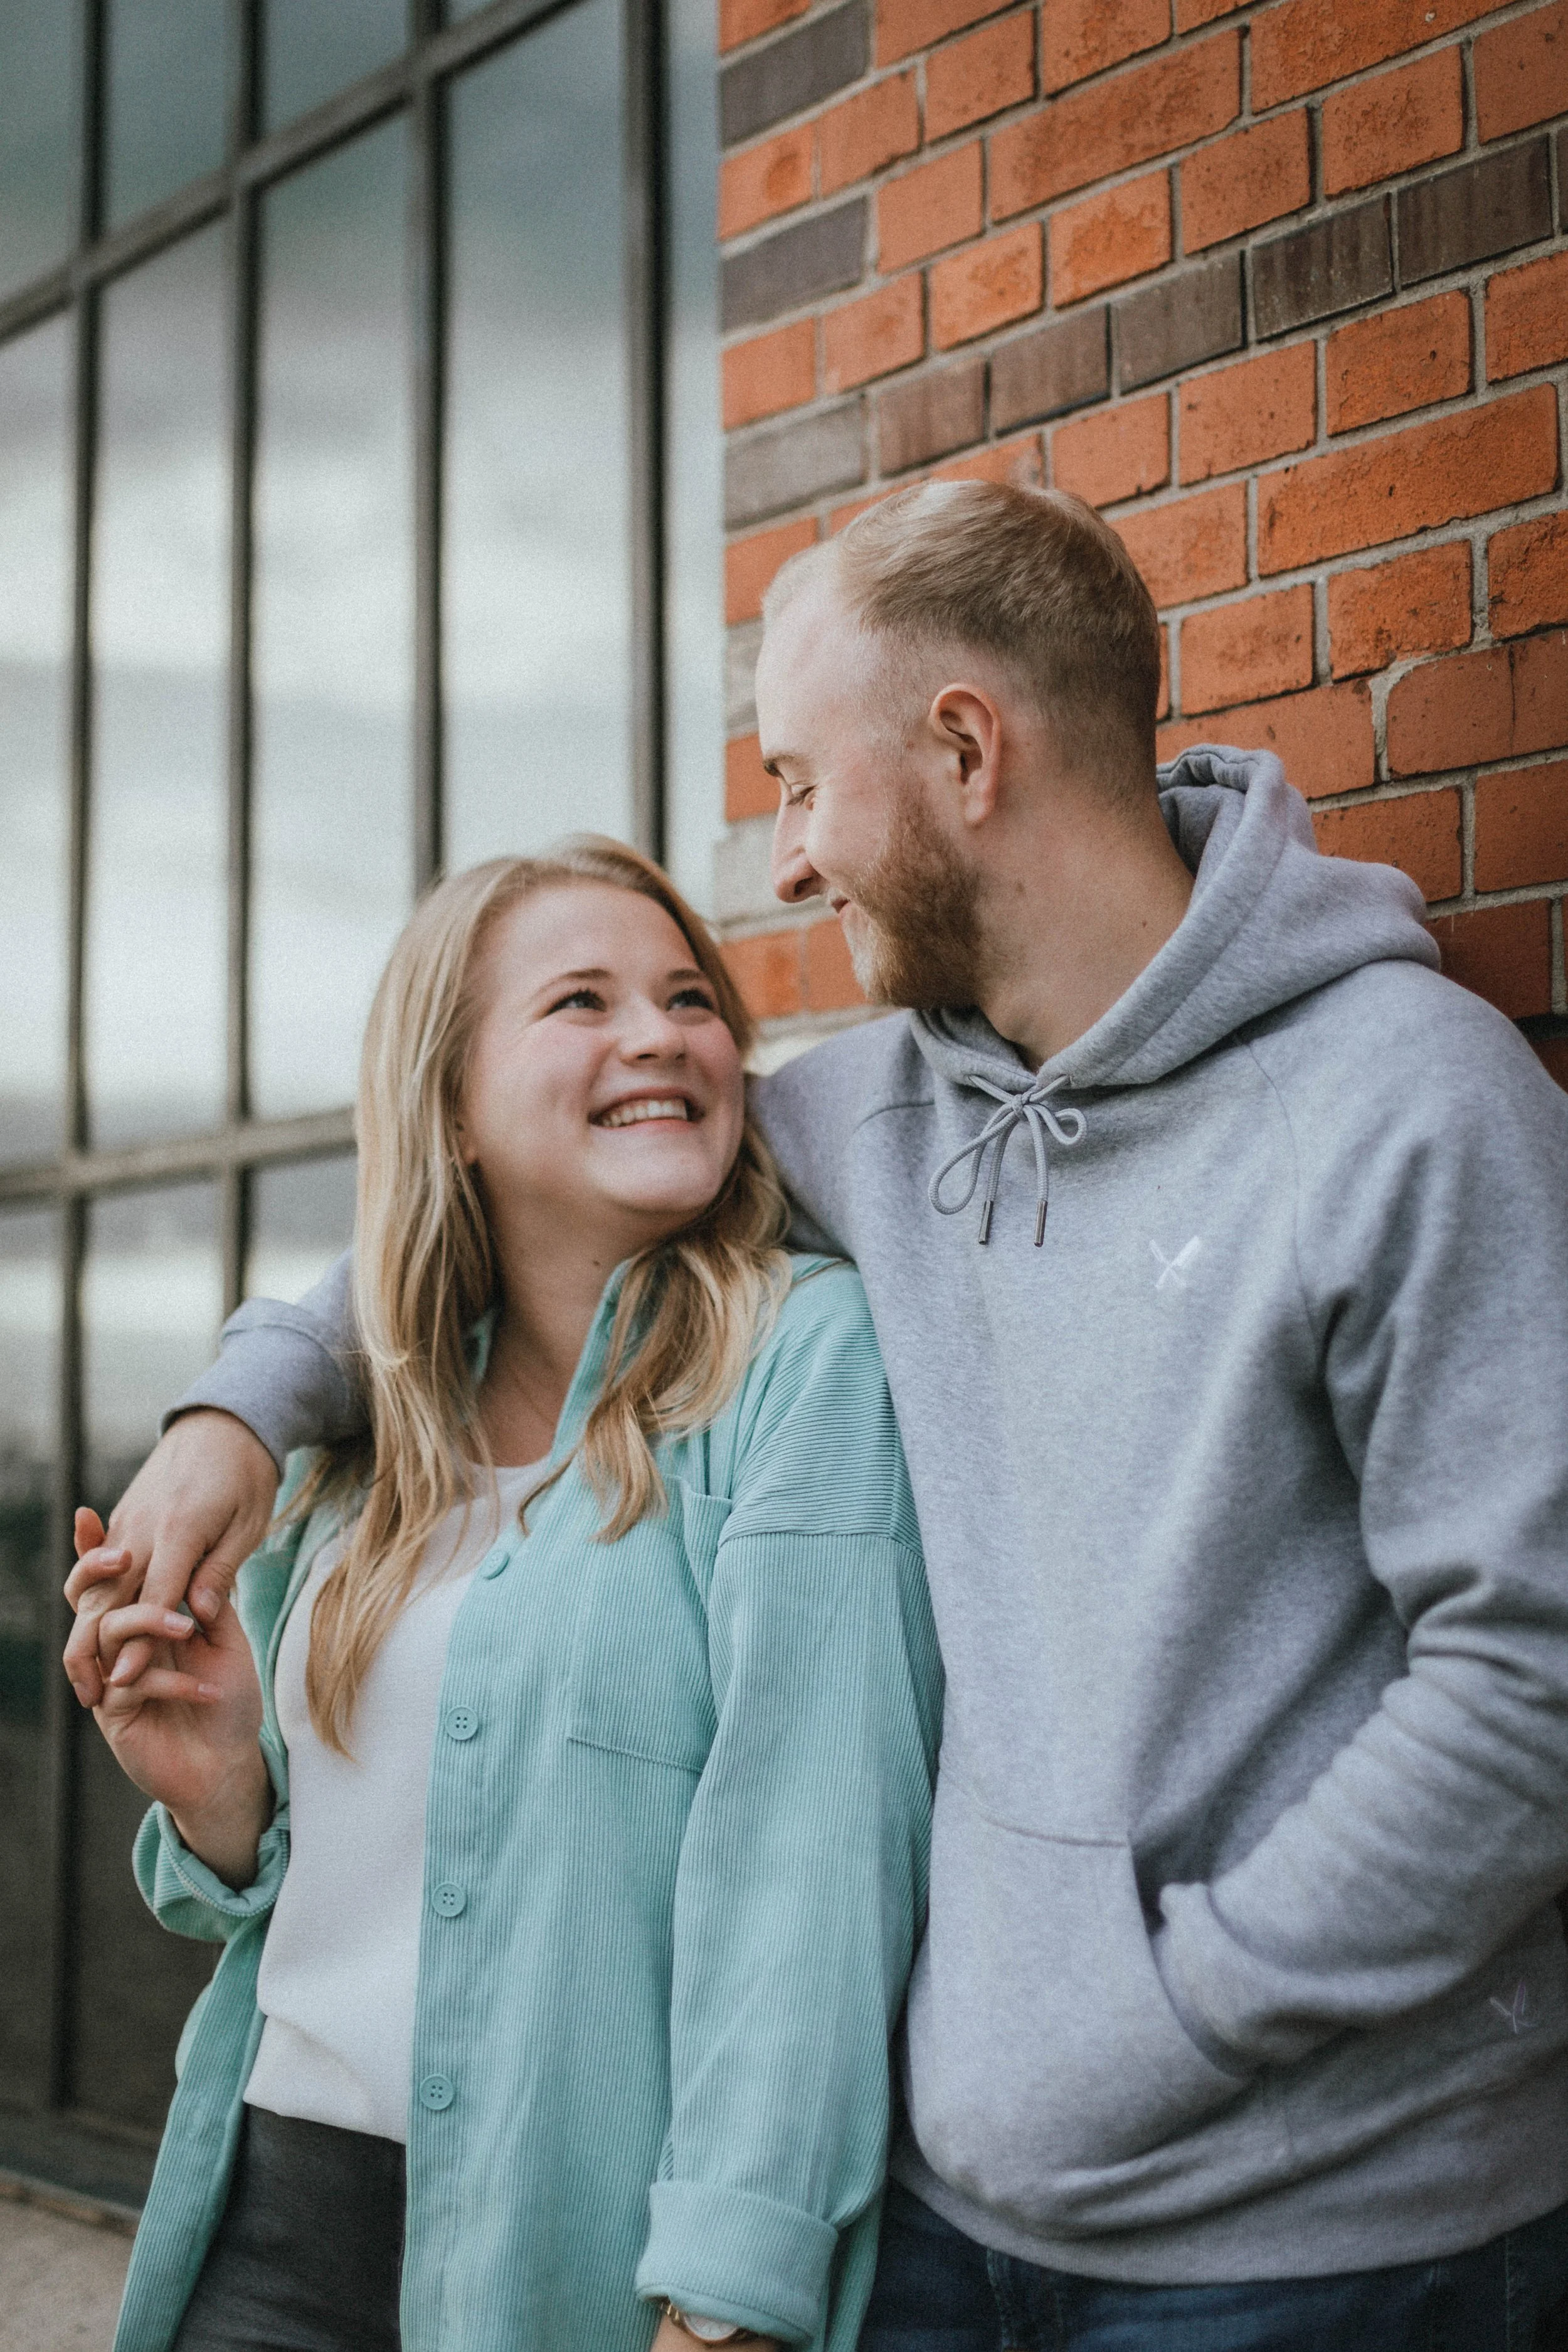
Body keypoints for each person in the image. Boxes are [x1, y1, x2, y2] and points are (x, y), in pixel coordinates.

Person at [72, 484, 1568, 2349]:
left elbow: (1531, 1675)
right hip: (954, 2223)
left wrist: (1166, 2009)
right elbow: (484, 1212)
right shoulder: (861, 1117)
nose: (781, 862)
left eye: (795, 777)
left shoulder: (1409, 1103)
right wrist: (234, 1410)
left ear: (960, 748)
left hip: (1329, 2232)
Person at [66, 839, 940, 2352]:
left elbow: (815, 1869)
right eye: (581, 1003)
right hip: (261, 2232)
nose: (658, 1035)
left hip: (572, 2267)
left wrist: (729, 2304)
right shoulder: (359, 1444)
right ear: (454, 1107)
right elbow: (314, 1897)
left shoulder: (802, 1366)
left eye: (686, 998)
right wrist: (220, 1798)